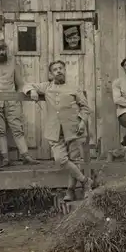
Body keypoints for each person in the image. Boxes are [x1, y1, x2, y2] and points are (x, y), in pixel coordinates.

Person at [24, 60, 93, 201]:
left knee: (74, 160)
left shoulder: (74, 88)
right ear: (51, 74)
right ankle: (86, 182)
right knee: (60, 159)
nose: (58, 71)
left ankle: (70, 191)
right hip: (54, 131)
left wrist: (82, 121)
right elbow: (26, 85)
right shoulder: (46, 87)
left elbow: (85, 108)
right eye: (55, 69)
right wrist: (31, 91)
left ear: (65, 70)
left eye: (61, 68)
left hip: (74, 129)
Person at [0, 39, 39, 167]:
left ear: (6, 49)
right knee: (0, 131)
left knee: (17, 129)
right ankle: (5, 158)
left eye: (2, 49)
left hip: (12, 102)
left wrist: (18, 98)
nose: (1, 52)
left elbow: (20, 84)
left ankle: (25, 156)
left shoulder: (13, 63)